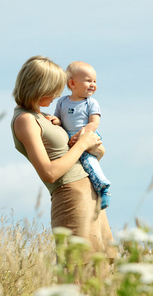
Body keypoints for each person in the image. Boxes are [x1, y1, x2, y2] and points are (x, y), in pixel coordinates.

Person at [11, 55, 116, 266]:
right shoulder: (25, 120)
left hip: (89, 192)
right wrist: (82, 144)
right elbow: (49, 172)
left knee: (102, 269)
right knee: (78, 270)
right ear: (38, 87)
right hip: (71, 196)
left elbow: (79, 151)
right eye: (53, 89)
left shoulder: (44, 117)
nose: (58, 94)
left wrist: (94, 147)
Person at [46, 61, 111, 210]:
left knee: (89, 161)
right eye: (88, 80)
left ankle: (103, 186)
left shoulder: (91, 103)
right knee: (74, 166)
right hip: (68, 137)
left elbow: (94, 123)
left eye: (95, 81)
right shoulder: (62, 101)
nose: (93, 84)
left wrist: (82, 133)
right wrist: (56, 121)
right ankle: (90, 192)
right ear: (72, 84)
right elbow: (59, 119)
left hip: (86, 134)